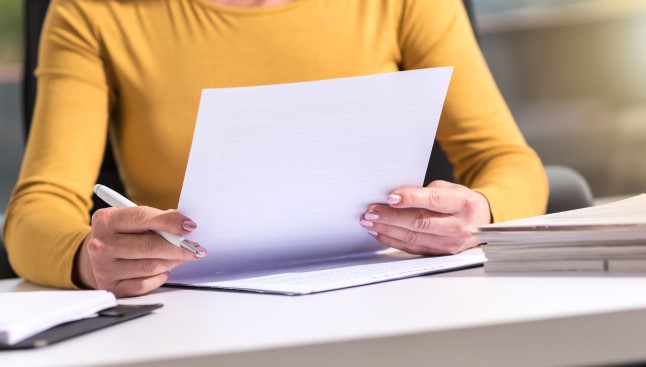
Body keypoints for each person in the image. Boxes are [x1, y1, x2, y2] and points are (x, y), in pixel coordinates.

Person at [3, 0, 547, 297]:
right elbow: (35, 213)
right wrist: (88, 259)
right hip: (193, 316)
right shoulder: (93, 11)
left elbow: (507, 160)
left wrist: (484, 212)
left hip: (389, 295)